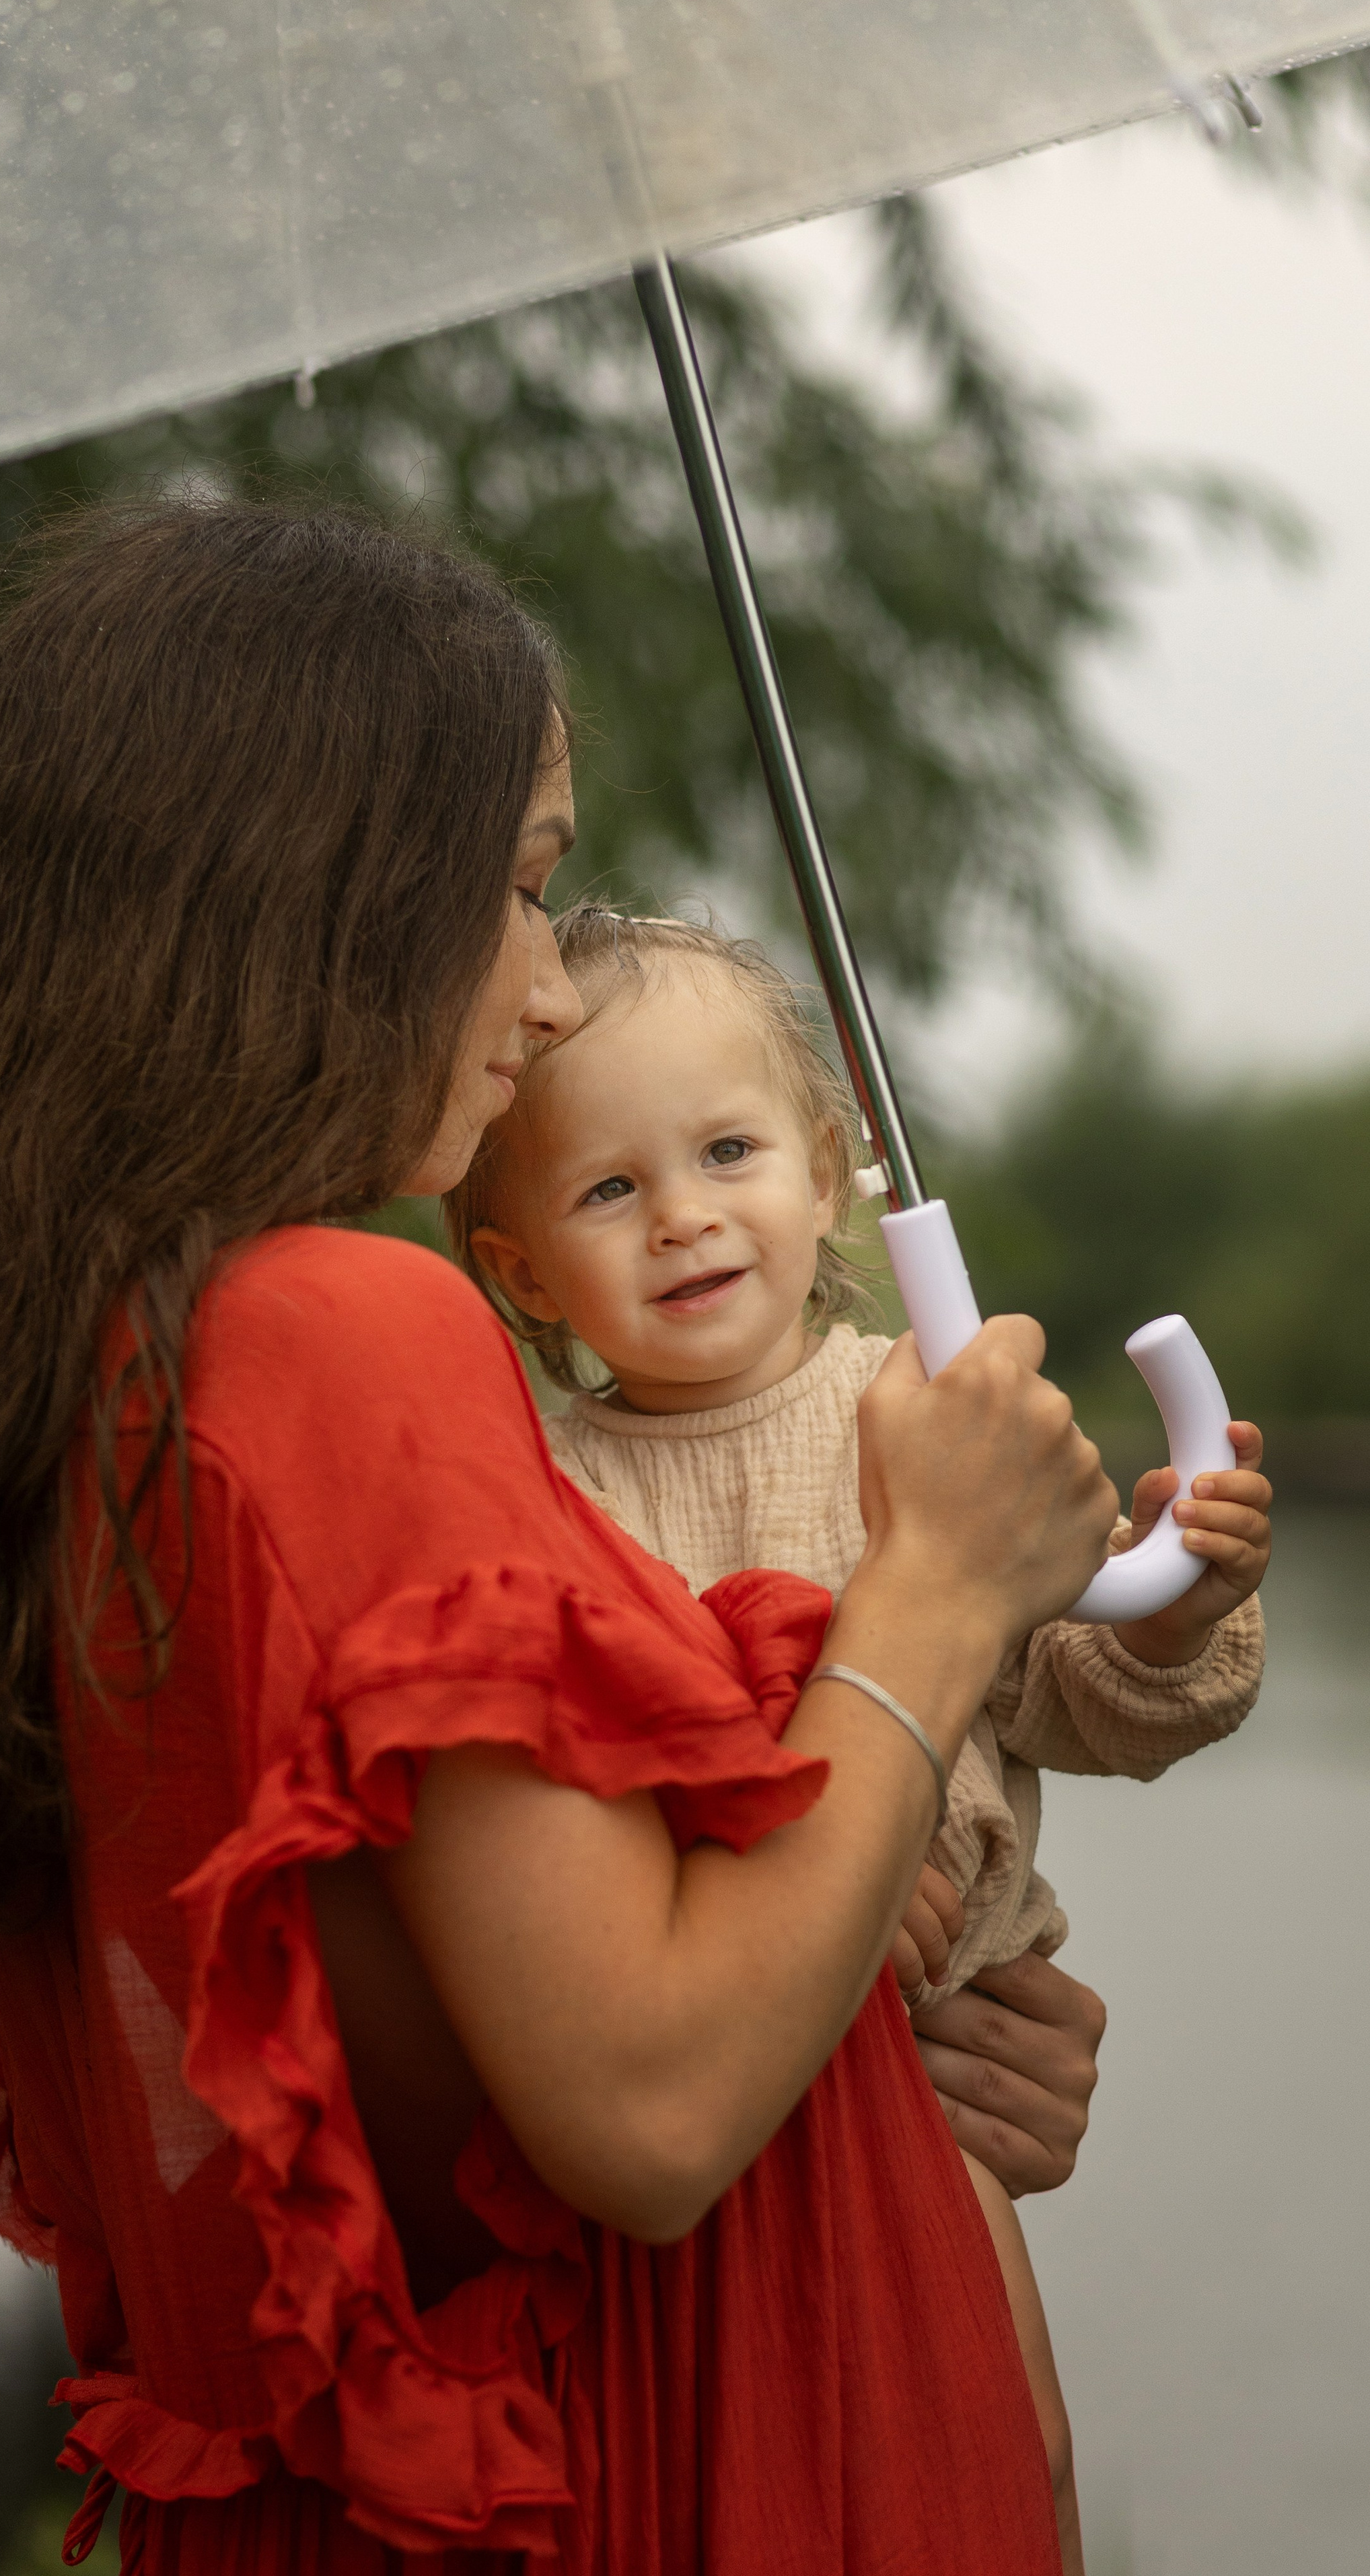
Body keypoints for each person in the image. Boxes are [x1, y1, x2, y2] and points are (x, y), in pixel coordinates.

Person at [0, 500, 1117, 2576]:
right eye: (522, 890)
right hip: (681, 2488)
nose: (546, 989)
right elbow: (649, 2105)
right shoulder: (345, 1328)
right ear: (312, 907)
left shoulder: (98, 1382)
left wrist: (893, 2041)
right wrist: (947, 1588)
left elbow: (438, 2064)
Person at [449, 905, 1273, 2573]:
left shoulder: (927, 1415)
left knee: (1003, 2453)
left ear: (826, 1175)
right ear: (519, 1268)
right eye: (609, 1190)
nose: (682, 1217)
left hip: (930, 2084)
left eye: (728, 1151)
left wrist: (1171, 1606)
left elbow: (1082, 1693)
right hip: (698, 2036)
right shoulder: (531, 1478)